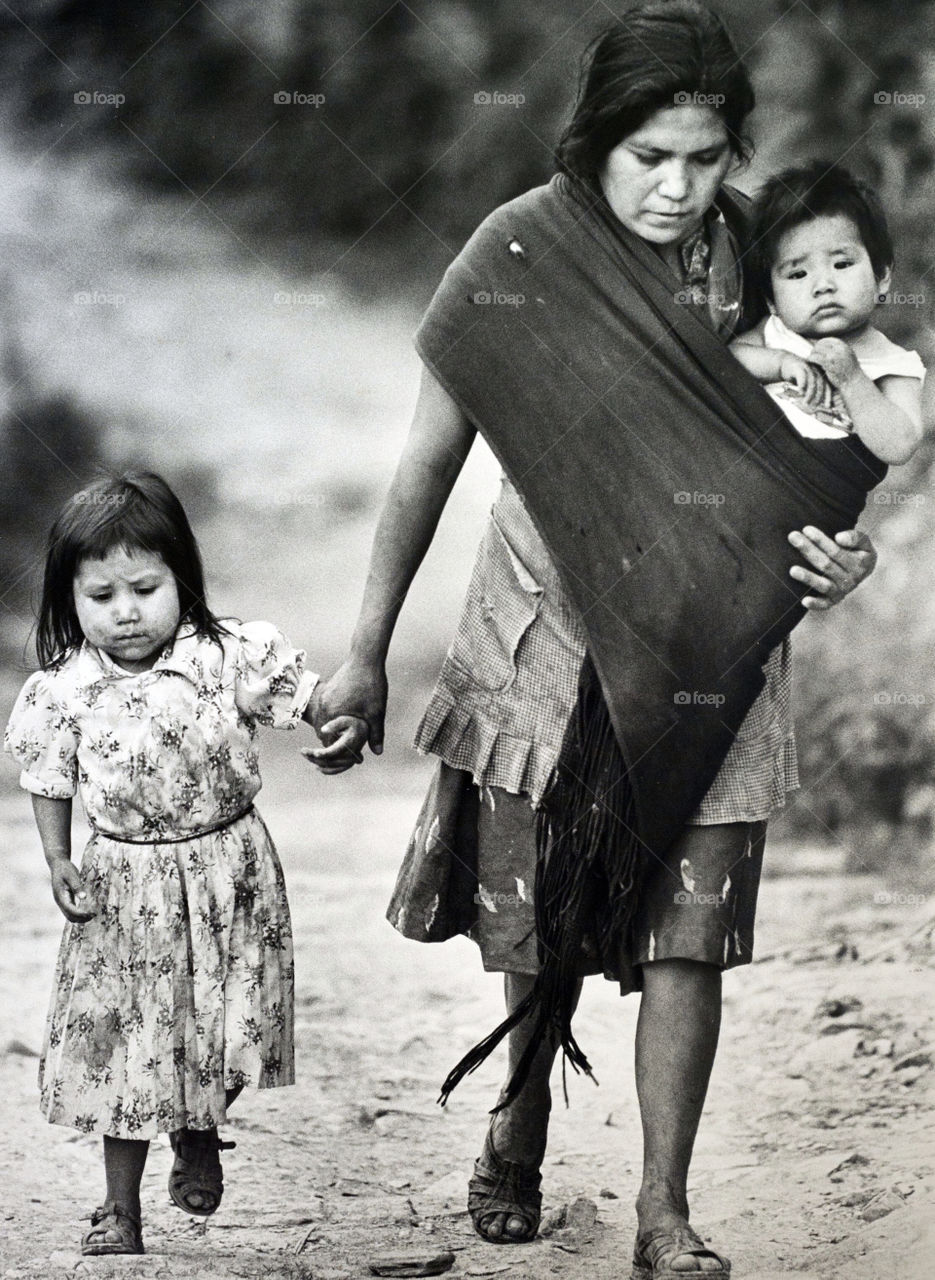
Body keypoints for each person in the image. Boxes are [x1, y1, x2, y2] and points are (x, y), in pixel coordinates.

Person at [315, 4, 884, 1275]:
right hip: (545, 641)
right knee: (534, 914)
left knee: (690, 926)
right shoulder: (519, 253)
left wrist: (841, 560)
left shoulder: (767, 270)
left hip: (713, 652)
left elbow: (832, 458)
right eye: (649, 158)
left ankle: (661, 1206)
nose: (679, 187)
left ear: (733, 147)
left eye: (703, 155)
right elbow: (424, 460)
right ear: (594, 146)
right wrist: (363, 647)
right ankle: (518, 1106)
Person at [4, 472, 366, 1257]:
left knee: (233, 1025)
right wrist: (59, 859)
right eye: (101, 596)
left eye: (144, 587)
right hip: (122, 891)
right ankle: (118, 1209)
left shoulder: (227, 656)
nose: (126, 612)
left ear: (181, 579)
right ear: (71, 600)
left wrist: (338, 720)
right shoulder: (63, 690)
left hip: (229, 874)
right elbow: (47, 778)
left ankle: (198, 1123)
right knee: (125, 1049)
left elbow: (306, 696)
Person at [730, 161, 925, 462]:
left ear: (882, 277)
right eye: (798, 274)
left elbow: (900, 447)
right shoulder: (773, 333)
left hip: (819, 492)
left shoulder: (895, 365)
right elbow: (728, 360)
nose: (823, 285)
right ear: (771, 300)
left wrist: (852, 379)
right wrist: (781, 363)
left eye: (842, 264)